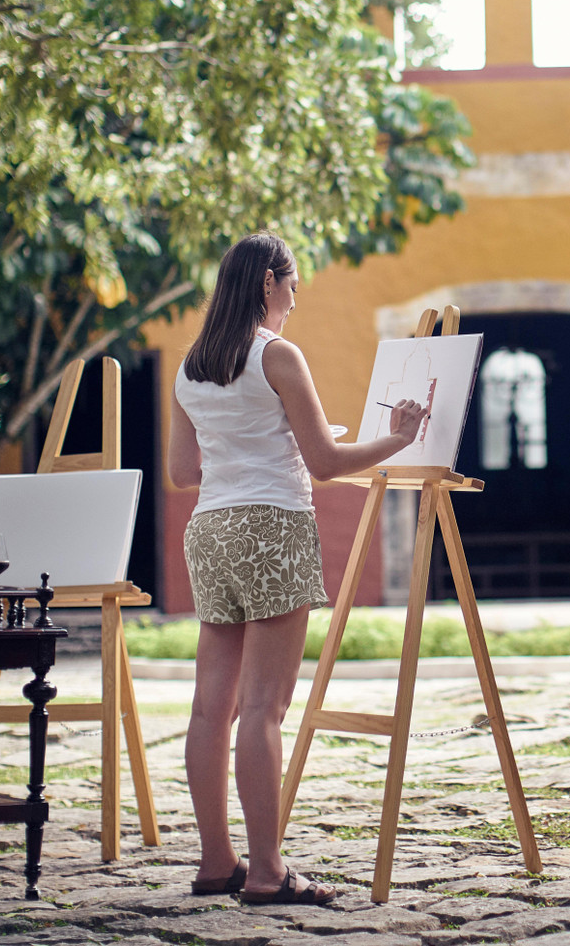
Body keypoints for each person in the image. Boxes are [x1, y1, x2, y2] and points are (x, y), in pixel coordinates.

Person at [167, 233, 423, 905]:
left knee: (209, 709)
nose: (295, 297)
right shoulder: (277, 355)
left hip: (212, 529)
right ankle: (268, 871)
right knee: (264, 708)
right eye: (292, 284)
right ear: (266, 284)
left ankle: (215, 861)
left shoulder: (189, 366)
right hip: (272, 525)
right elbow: (326, 464)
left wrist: (252, 444)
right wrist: (397, 438)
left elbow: (182, 473)